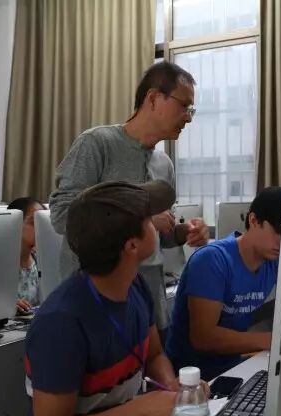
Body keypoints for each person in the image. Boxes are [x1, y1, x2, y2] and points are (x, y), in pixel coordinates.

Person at [49, 61, 209, 336]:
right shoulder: (96, 143)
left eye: (191, 110)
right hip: (95, 308)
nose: (188, 118)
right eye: (184, 106)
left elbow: (160, 235)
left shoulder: (164, 164)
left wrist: (183, 232)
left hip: (149, 305)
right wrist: (143, 219)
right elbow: (63, 216)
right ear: (153, 99)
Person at [26, 180, 180, 416]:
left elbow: (154, 356)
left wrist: (173, 390)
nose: (156, 224)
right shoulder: (60, 324)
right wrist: (136, 411)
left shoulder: (135, 285)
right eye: (149, 220)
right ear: (132, 245)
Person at [165, 186, 281, 380]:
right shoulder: (212, 260)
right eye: (278, 231)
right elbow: (203, 338)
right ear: (254, 221)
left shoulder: (274, 260)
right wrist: (271, 340)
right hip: (192, 378)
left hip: (232, 367)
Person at [7, 197, 46, 314]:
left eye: (42, 223)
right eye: (33, 222)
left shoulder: (43, 261)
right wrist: (6, 305)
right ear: (15, 224)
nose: (40, 228)